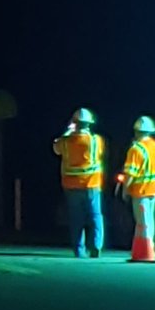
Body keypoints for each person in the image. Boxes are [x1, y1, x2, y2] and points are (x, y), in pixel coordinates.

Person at [52, 108, 105, 258]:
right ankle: (96, 245)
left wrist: (68, 131)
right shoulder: (96, 140)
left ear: (74, 123)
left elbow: (56, 148)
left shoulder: (66, 141)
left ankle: (79, 249)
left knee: (76, 219)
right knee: (95, 215)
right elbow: (99, 154)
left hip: (71, 185)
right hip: (92, 184)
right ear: (89, 124)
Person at [118, 116, 155, 262]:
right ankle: (141, 252)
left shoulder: (136, 149)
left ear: (137, 131)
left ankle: (146, 253)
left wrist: (125, 189)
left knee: (143, 222)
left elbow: (131, 173)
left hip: (141, 191)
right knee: (148, 220)